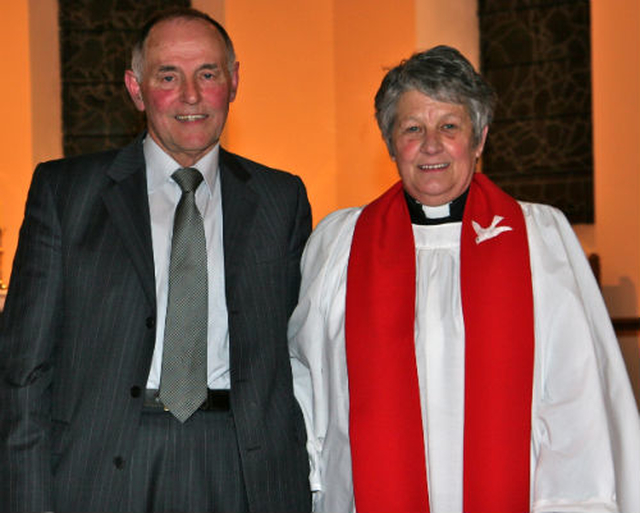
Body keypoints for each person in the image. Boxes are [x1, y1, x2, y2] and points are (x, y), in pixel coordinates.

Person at [288, 45, 640, 513]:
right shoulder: (341, 245)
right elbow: (308, 386)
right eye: (412, 128)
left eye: (449, 127)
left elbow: (579, 399)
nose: (430, 144)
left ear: (479, 139)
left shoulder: (540, 239)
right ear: (391, 143)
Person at [0, 7, 311, 513]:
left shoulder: (282, 199)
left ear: (233, 82)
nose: (191, 95)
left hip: (241, 467)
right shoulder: (66, 194)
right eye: (168, 76)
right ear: (136, 88)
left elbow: (300, 355)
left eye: (207, 74)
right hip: (103, 468)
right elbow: (23, 373)